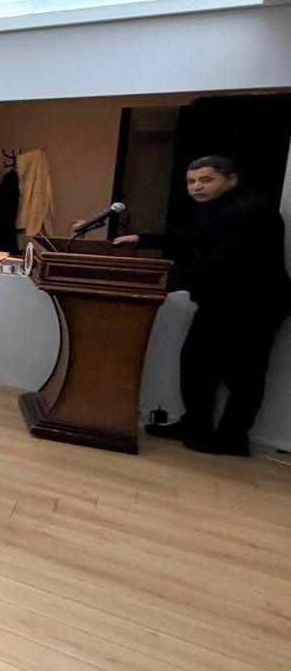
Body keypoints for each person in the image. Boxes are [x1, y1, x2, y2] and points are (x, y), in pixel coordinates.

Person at [114, 155, 291, 456]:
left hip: (253, 306)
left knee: (242, 374)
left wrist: (164, 282)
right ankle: (196, 425)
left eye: (206, 180)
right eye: (191, 181)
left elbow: (223, 262)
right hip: (223, 301)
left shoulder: (251, 211)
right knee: (197, 365)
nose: (197, 187)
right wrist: (143, 239)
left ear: (231, 179)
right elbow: (195, 237)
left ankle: (231, 439)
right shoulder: (220, 208)